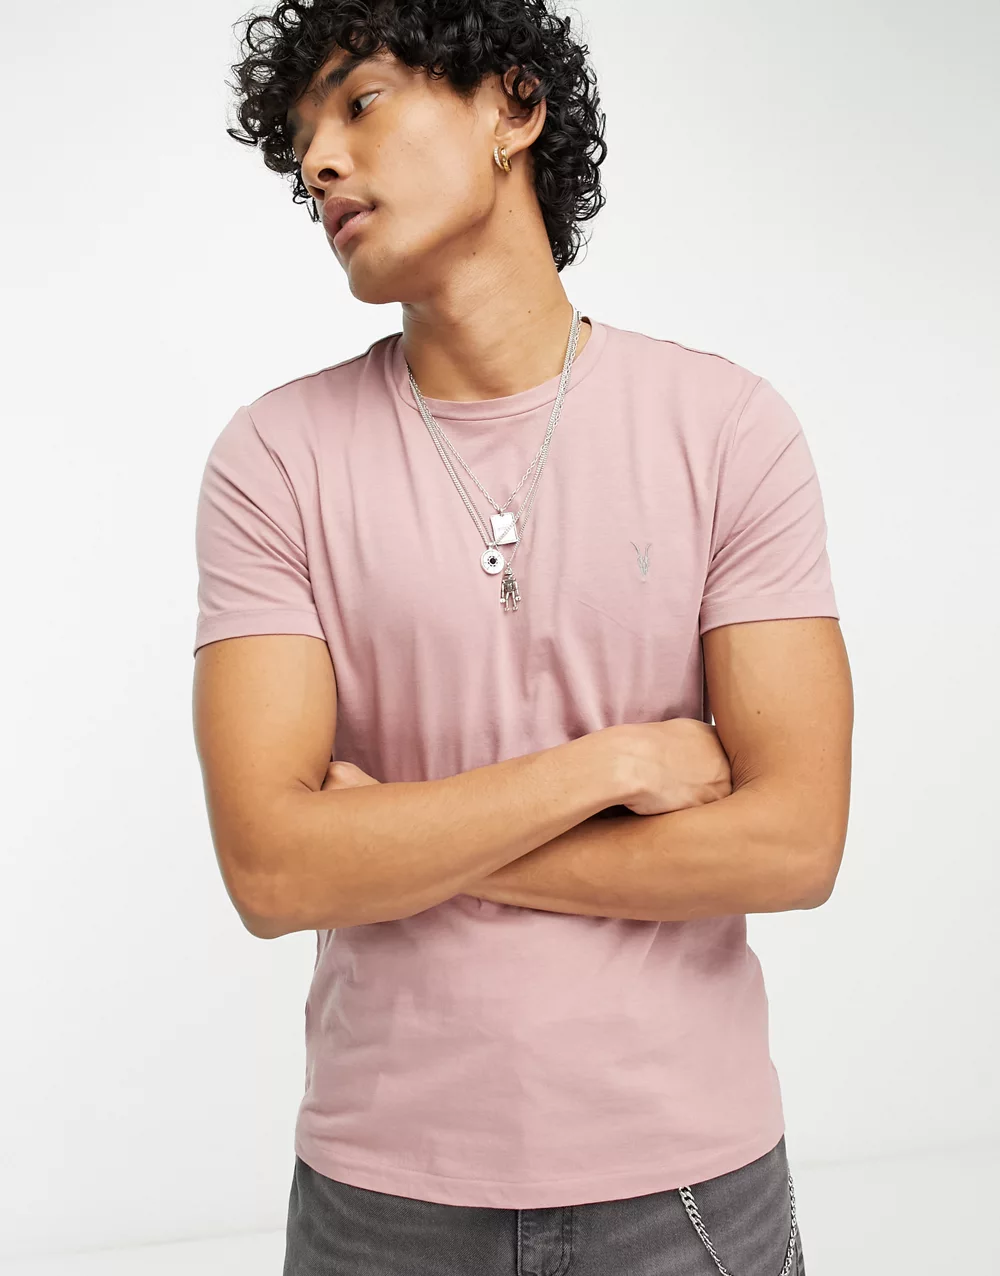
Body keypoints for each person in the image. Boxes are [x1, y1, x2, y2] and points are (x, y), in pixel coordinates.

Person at [192, 2, 853, 1272]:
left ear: (514, 106)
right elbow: (274, 872)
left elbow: (793, 841)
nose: (318, 160)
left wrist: (394, 846)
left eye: (359, 101)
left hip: (686, 1186)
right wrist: (611, 765)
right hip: (384, 1193)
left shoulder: (726, 428)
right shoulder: (275, 460)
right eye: (301, 139)